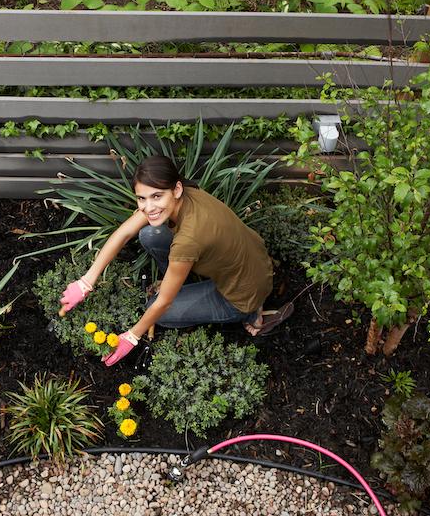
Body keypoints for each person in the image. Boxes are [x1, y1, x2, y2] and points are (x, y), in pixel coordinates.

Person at [58, 155, 292, 367]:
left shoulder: (189, 239)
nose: (148, 207)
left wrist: (131, 336)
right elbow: (123, 233)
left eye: (156, 196)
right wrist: (86, 282)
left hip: (242, 293)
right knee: (149, 233)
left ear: (176, 189)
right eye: (142, 198)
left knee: (157, 310)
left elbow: (164, 304)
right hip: (250, 259)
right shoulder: (186, 194)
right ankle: (184, 282)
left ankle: (252, 313)